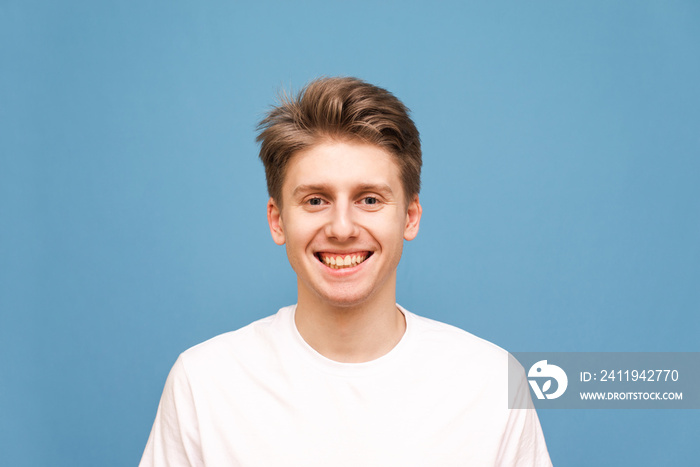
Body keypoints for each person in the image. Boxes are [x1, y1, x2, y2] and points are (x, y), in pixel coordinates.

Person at [140, 77, 552, 466]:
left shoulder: (492, 383)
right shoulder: (204, 383)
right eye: (316, 200)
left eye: (369, 200)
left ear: (410, 216)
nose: (341, 228)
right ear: (277, 220)